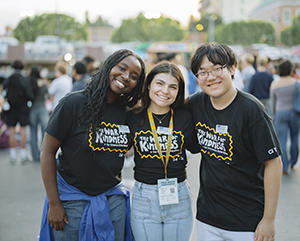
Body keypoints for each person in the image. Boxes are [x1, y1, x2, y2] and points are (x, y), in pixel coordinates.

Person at [38, 49, 146, 241]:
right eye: (122, 68)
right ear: (108, 66)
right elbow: (47, 152)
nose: (126, 77)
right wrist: (54, 203)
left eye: (134, 76)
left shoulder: (127, 113)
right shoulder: (73, 103)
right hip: (71, 201)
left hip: (112, 202)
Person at [188, 43, 283, 241]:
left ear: (232, 68)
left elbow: (274, 163)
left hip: (247, 221)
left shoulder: (252, 110)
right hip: (208, 219)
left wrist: (269, 219)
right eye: (203, 72)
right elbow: (164, 102)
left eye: (217, 68)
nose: (211, 77)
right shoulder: (197, 102)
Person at [126, 61, 199, 241]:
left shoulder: (185, 117)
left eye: (172, 87)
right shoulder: (133, 117)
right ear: (149, 84)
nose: (165, 91)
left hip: (178, 196)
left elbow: (196, 147)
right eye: (160, 83)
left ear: (178, 91)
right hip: (144, 198)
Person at [270, 60, 300, 175]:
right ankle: (293, 162)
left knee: (281, 139)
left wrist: (274, 116)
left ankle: (285, 166)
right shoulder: (296, 83)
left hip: (280, 113)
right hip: (294, 113)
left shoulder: (274, 84)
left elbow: (273, 103)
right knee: (294, 138)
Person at [3, 60, 33, 164]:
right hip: (23, 108)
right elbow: (29, 95)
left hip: (11, 109)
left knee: (12, 131)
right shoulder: (24, 79)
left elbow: (4, 93)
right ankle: (23, 155)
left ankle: (12, 156)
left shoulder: (8, 79)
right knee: (23, 131)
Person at [27, 65, 49, 162]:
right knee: (45, 133)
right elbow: (47, 95)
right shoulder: (44, 83)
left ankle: (35, 156)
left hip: (33, 109)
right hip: (42, 109)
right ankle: (43, 154)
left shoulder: (29, 83)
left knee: (33, 132)